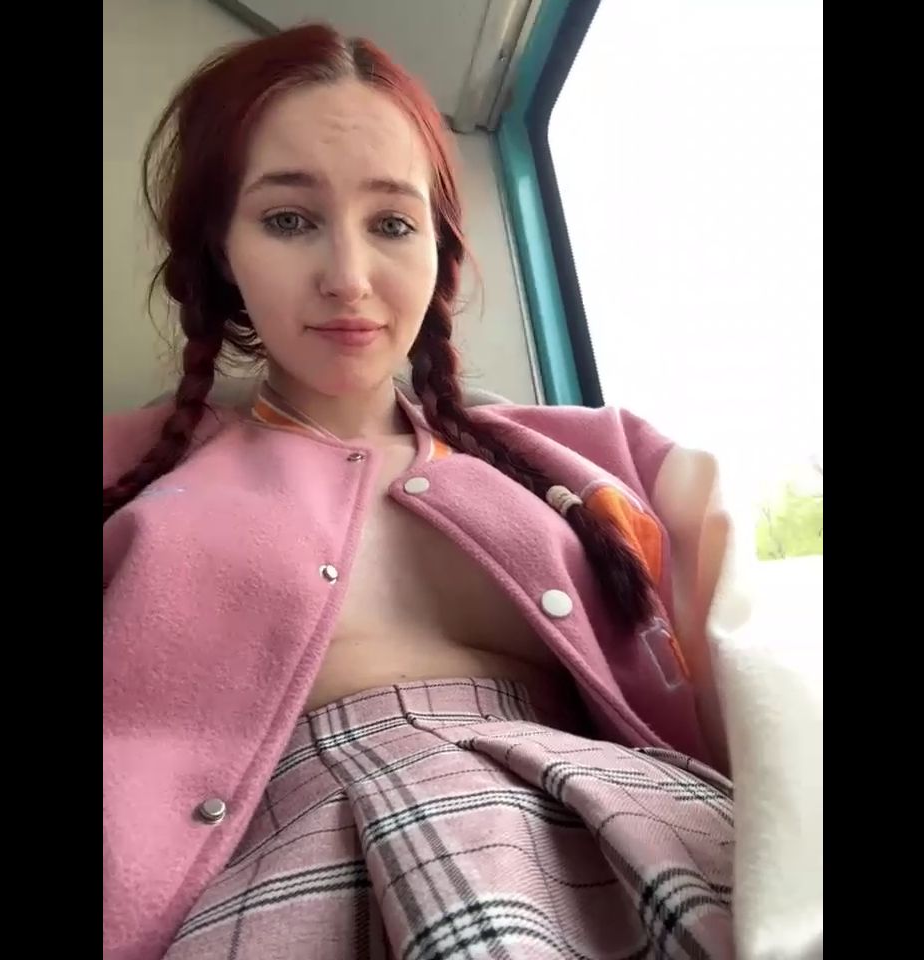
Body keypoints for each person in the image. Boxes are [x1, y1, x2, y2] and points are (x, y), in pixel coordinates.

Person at [103, 22, 735, 960]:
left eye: (392, 224)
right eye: (288, 220)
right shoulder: (129, 473)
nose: (348, 278)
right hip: (285, 860)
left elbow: (749, 654)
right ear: (220, 248)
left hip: (629, 819)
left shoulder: (599, 458)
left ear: (438, 246)